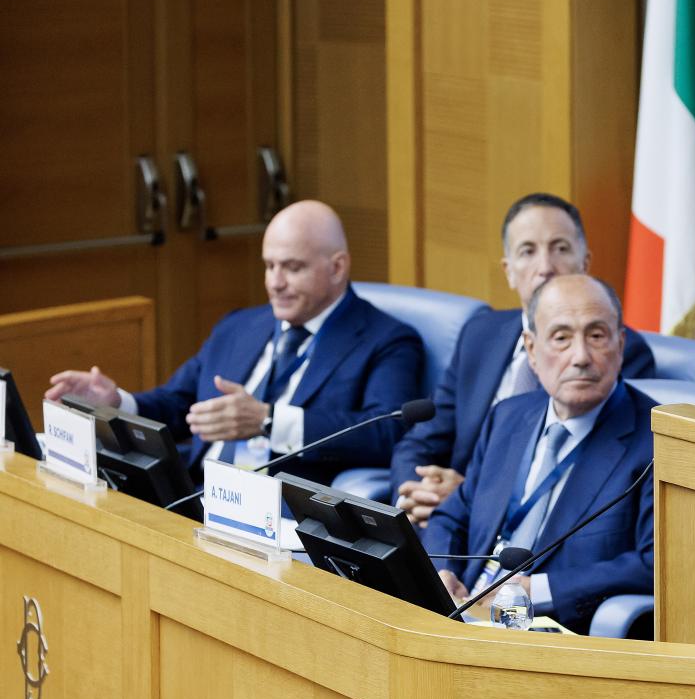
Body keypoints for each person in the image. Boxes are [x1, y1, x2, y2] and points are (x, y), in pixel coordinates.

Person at [46, 200, 423, 485]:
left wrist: (268, 421)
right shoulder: (239, 326)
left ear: (337, 267)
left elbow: (385, 433)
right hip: (194, 496)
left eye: (292, 268)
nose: (275, 283)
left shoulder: (387, 340)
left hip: (279, 516)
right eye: (269, 266)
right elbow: (180, 404)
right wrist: (117, 403)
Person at [391, 192, 655, 523]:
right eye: (528, 251)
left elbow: (594, 473)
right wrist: (416, 493)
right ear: (509, 271)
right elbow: (421, 441)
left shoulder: (614, 350)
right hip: (443, 521)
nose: (545, 268)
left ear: (585, 264)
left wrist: (468, 499)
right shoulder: (480, 334)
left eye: (560, 249)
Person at [422, 274, 655, 634]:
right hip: (467, 612)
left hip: (551, 632)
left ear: (620, 345)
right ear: (531, 350)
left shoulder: (655, 442)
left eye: (596, 336)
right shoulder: (507, 417)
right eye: (561, 338)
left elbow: (653, 563)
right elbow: (453, 516)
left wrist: (539, 590)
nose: (580, 357)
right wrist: (443, 572)